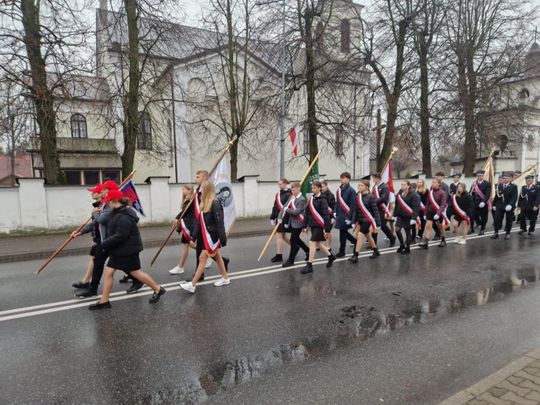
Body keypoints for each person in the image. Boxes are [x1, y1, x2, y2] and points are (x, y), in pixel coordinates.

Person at [89, 190, 166, 310]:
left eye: (108, 201)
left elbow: (121, 236)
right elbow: (105, 222)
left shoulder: (124, 216)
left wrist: (104, 244)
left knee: (135, 272)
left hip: (127, 249)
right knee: (112, 272)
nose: (107, 204)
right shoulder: (117, 212)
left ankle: (157, 289)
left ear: (113, 201)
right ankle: (104, 301)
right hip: (122, 249)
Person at [180, 181, 230, 293]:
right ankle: (225, 278)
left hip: (212, 237)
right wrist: (193, 237)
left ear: (207, 189)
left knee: (202, 258)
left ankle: (192, 284)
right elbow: (199, 222)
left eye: (202, 188)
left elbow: (219, 223)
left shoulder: (215, 203)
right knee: (217, 257)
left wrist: (222, 239)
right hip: (205, 236)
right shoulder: (203, 203)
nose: (200, 190)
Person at [72, 183, 105, 290]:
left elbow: (98, 222)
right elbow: (94, 224)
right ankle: (86, 281)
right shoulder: (97, 205)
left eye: (94, 192)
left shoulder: (103, 206)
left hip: (104, 238)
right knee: (93, 258)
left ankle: (134, 276)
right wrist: (85, 233)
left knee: (118, 261)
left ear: (100, 193)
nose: (91, 194)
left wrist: (93, 236)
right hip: (98, 238)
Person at [300, 181, 335, 274]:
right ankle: (330, 256)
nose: (313, 189)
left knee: (312, 242)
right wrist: (304, 226)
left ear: (319, 188)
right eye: (312, 188)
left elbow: (326, 215)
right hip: (313, 225)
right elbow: (307, 213)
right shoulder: (311, 198)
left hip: (320, 225)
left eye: (315, 188)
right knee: (319, 243)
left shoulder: (323, 200)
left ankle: (309, 265)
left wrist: (327, 230)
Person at [348, 180, 381, 263]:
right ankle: (375, 250)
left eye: (361, 186)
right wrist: (353, 221)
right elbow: (355, 210)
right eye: (359, 185)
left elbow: (375, 210)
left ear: (367, 187)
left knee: (359, 236)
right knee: (368, 236)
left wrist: (378, 223)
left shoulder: (371, 197)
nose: (359, 187)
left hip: (368, 220)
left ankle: (355, 255)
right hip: (360, 220)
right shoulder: (358, 196)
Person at [169, 184, 196, 275]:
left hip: (190, 226)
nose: (182, 191)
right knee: (187, 245)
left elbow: (185, 212)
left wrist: (177, 219)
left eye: (184, 189)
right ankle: (180, 267)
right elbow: (183, 212)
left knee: (190, 245)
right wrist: (177, 218)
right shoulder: (187, 200)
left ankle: (180, 267)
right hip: (187, 225)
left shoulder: (192, 200)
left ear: (189, 190)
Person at [281, 182, 310, 267]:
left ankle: (291, 260)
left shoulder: (302, 199)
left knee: (293, 241)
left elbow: (296, 212)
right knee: (296, 239)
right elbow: (285, 206)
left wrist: (287, 209)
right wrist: (285, 208)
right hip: (292, 222)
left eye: (294, 190)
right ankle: (308, 251)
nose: (292, 192)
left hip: (299, 222)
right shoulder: (292, 197)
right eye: (292, 190)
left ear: (298, 189)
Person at [418, 178, 448, 249]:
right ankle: (426, 243)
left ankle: (443, 240)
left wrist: (438, 213)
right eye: (432, 182)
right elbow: (427, 204)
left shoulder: (442, 192)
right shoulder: (430, 192)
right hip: (430, 211)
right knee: (428, 226)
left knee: (440, 227)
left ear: (439, 184)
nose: (433, 184)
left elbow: (443, 204)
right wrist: (425, 213)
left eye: (435, 182)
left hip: (439, 212)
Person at [334, 172, 357, 257]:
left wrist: (350, 217)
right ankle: (355, 242)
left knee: (342, 233)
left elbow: (353, 205)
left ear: (348, 179)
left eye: (343, 178)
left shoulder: (351, 191)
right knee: (343, 232)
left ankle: (342, 251)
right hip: (340, 214)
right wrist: (335, 211)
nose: (341, 179)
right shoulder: (339, 190)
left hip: (346, 215)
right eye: (341, 178)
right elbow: (337, 202)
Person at [393, 181, 419, 254]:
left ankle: (408, 248)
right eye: (401, 184)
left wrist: (414, 218)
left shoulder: (413, 194)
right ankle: (402, 245)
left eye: (404, 185)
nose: (402, 186)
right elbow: (397, 204)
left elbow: (416, 207)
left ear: (408, 186)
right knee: (397, 230)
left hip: (408, 216)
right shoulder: (400, 192)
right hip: (400, 215)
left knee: (407, 232)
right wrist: (395, 214)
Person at [269, 178, 292, 263]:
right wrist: (272, 217)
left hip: (284, 218)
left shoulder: (289, 194)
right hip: (278, 218)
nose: (279, 186)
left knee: (279, 235)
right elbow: (275, 206)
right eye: (278, 184)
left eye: (281, 184)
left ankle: (279, 255)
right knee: (283, 235)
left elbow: (289, 208)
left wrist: (286, 220)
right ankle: (295, 246)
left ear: (285, 184)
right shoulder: (278, 194)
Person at [371, 173, 396, 246]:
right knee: (374, 225)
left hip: (382, 208)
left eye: (373, 178)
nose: (372, 180)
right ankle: (373, 244)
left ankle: (392, 238)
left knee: (382, 225)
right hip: (375, 208)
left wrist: (373, 202)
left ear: (377, 178)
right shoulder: (374, 186)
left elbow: (384, 198)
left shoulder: (384, 187)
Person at [491, 172, 518, 240]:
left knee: (509, 220)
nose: (504, 179)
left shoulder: (513, 187)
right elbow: (497, 196)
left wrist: (510, 205)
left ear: (510, 179)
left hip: (509, 205)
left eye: (506, 178)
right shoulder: (499, 186)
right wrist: (494, 204)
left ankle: (508, 233)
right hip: (500, 205)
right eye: (503, 178)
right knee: (496, 219)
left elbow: (514, 197)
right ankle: (496, 232)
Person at [470, 170, 491, 235]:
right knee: (472, 216)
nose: (479, 177)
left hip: (483, 203)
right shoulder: (474, 183)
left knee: (483, 217)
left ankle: (482, 229)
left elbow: (487, 194)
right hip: (474, 202)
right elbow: (470, 192)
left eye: (480, 176)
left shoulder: (487, 184)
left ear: (483, 176)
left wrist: (484, 202)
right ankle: (471, 228)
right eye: (478, 176)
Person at [321, 180, 336, 251]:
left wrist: (333, 217)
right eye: (321, 187)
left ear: (326, 186)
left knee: (328, 231)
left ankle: (329, 245)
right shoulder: (319, 194)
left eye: (323, 186)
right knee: (320, 231)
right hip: (321, 215)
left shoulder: (330, 195)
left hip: (329, 216)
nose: (322, 188)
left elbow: (333, 207)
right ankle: (319, 244)